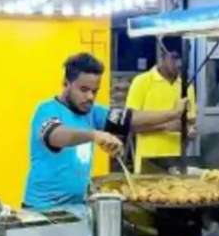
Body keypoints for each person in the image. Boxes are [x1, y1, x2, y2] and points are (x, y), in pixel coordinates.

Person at [24, 52, 187, 209]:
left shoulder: (93, 112)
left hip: (78, 207)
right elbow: (56, 135)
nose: (90, 97)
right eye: (83, 89)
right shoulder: (47, 110)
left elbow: (130, 119)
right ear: (66, 83)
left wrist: (173, 114)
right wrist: (94, 135)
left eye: (94, 91)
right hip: (43, 208)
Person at [125, 43, 196, 173]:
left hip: (178, 162)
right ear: (162, 57)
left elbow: (191, 122)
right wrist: (165, 126)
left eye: (183, 59)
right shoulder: (142, 82)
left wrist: (190, 130)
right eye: (174, 58)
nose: (179, 63)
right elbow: (130, 125)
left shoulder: (187, 86)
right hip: (148, 162)